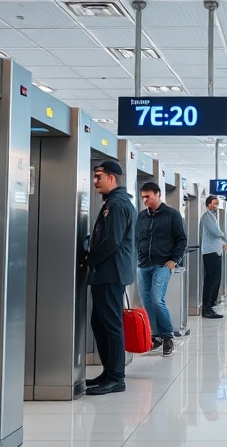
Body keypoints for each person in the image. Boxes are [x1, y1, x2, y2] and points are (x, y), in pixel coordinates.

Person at [85, 160, 136, 395]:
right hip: (108, 271)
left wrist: (91, 258)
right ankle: (109, 371)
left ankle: (116, 377)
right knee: (100, 322)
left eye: (99, 177)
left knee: (111, 324)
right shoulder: (115, 203)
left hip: (110, 271)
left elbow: (112, 240)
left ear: (112, 178)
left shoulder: (116, 204)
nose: (96, 182)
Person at [137, 182, 187, 356]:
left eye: (148, 197)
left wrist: (174, 260)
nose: (145, 200)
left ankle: (167, 336)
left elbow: (181, 239)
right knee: (147, 302)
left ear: (157, 195)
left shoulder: (172, 215)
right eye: (143, 197)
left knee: (158, 300)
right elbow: (137, 238)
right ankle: (155, 336)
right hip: (143, 265)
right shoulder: (142, 216)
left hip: (163, 264)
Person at [199, 196, 227, 319]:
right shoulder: (207, 216)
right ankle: (206, 307)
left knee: (215, 279)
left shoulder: (212, 215)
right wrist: (223, 234)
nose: (216, 206)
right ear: (208, 204)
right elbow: (216, 232)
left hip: (215, 252)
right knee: (212, 280)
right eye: (214, 204)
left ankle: (210, 304)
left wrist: (222, 243)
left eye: (217, 204)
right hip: (210, 252)